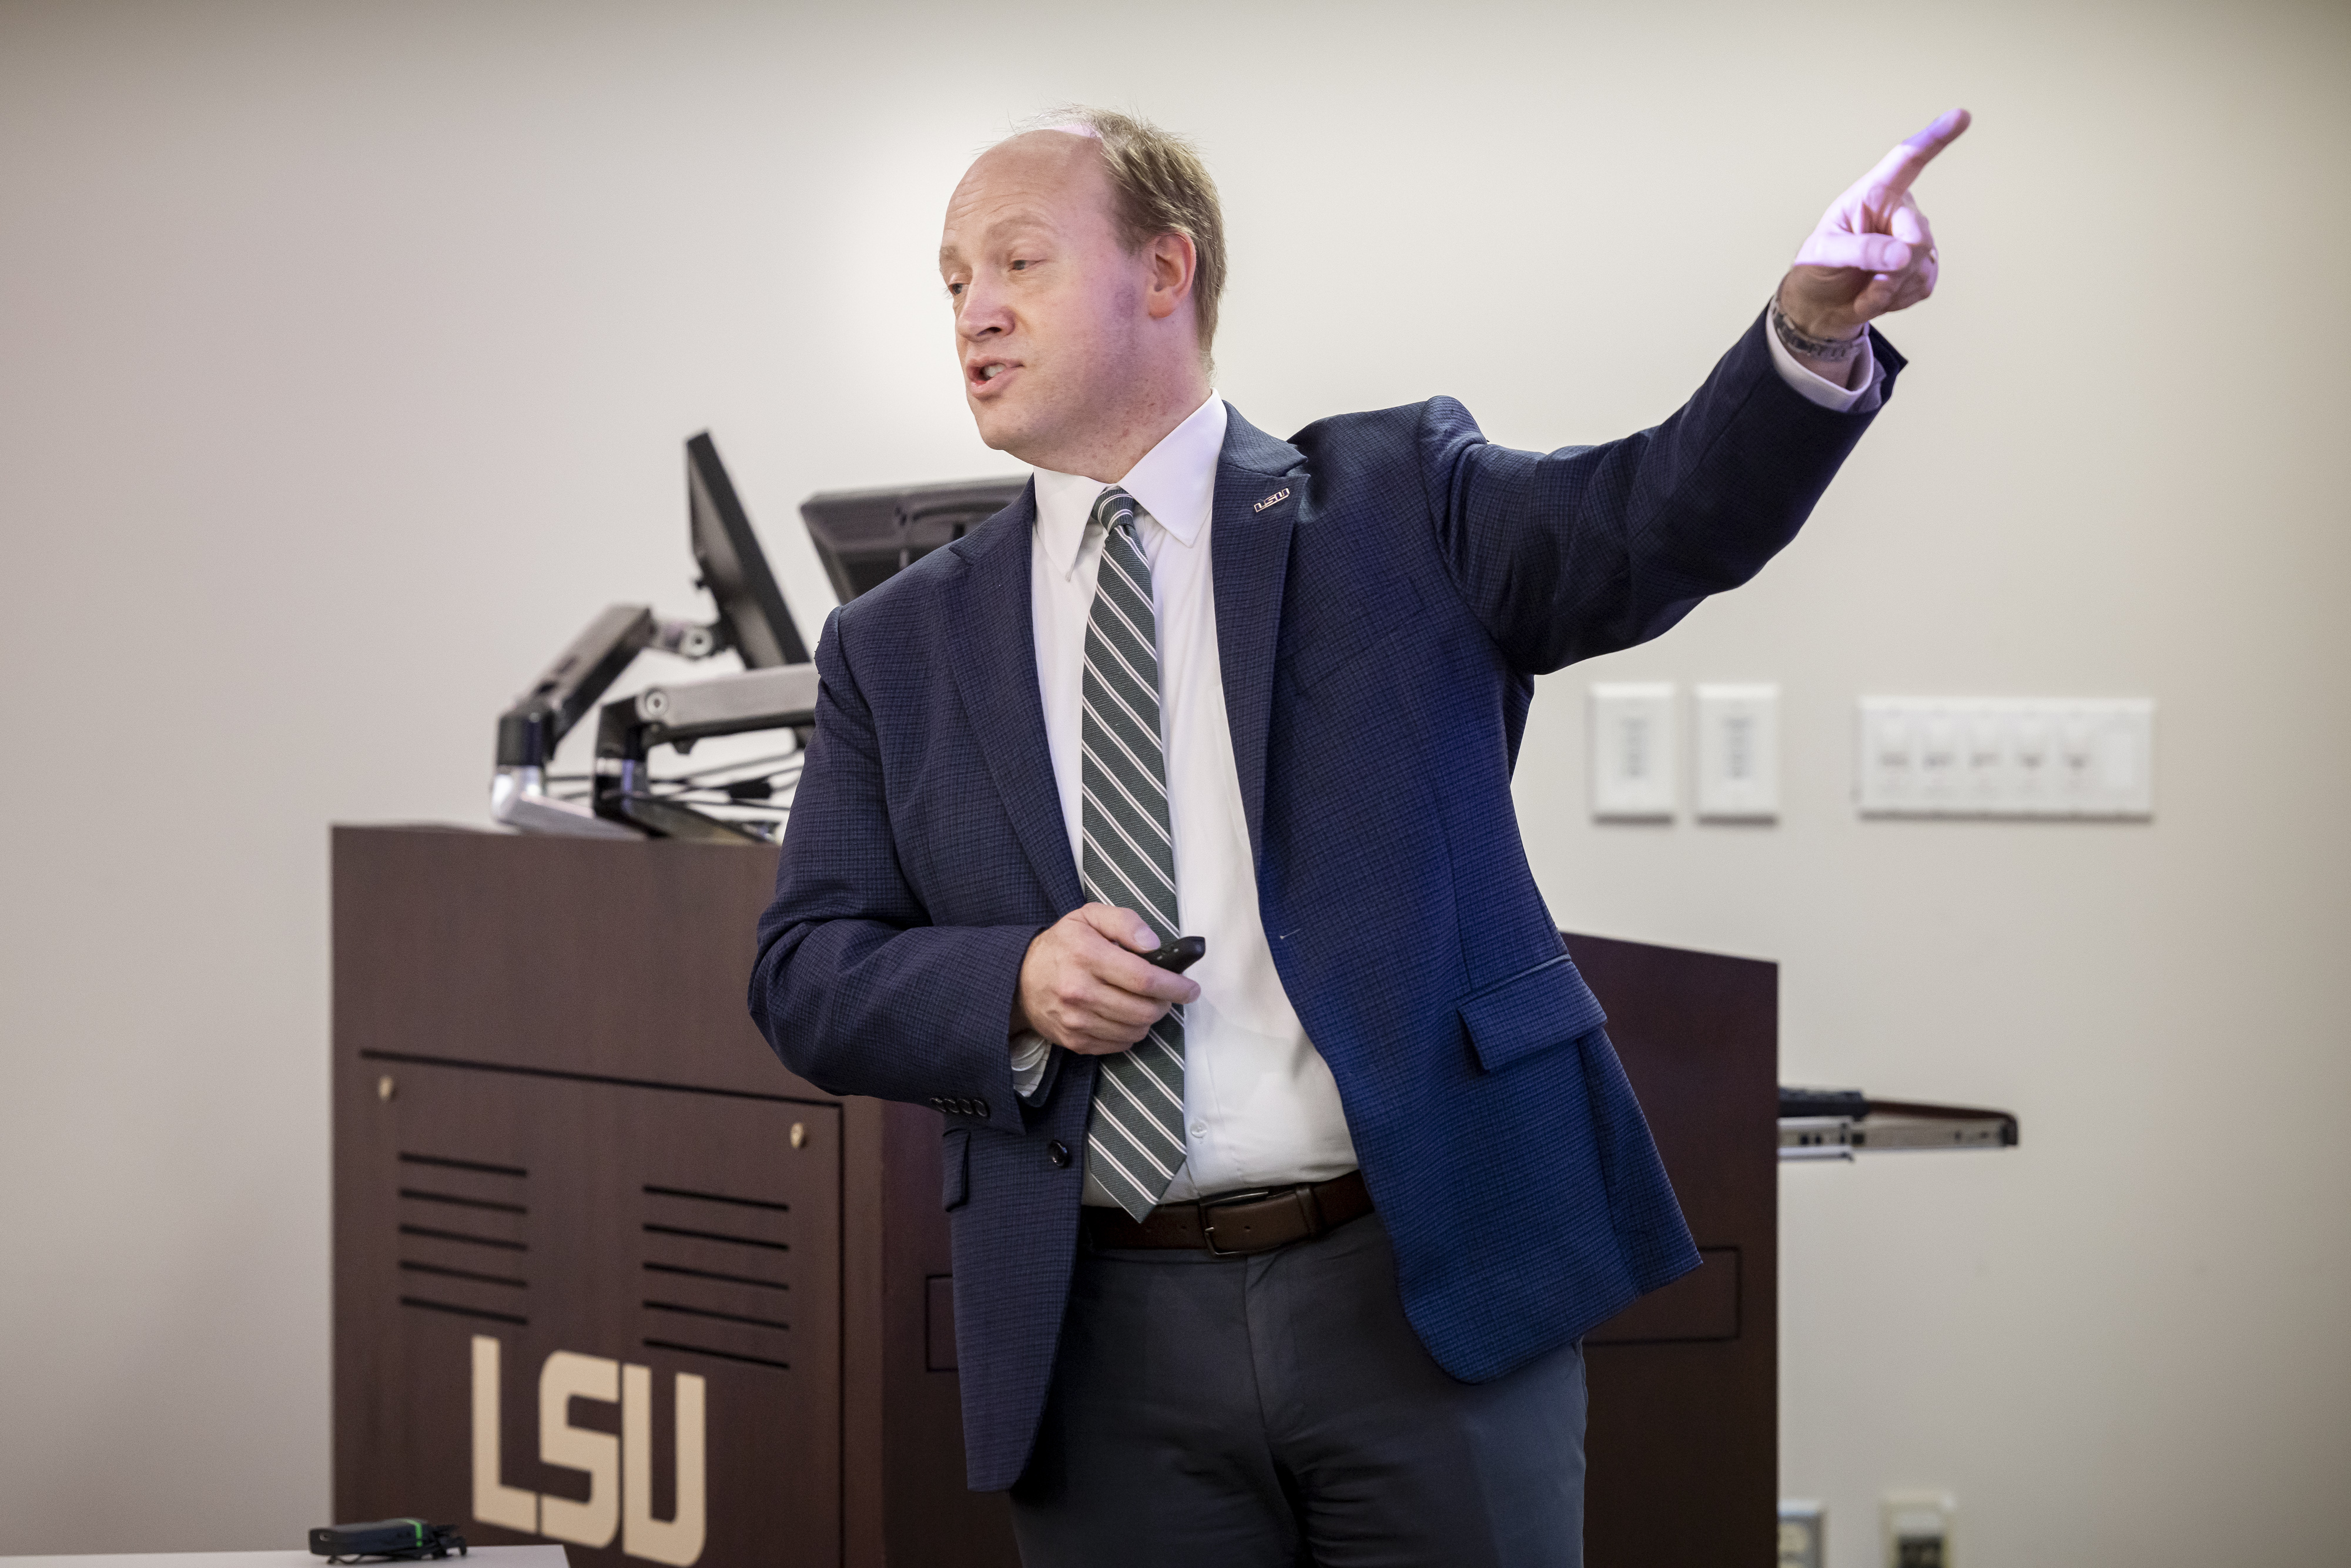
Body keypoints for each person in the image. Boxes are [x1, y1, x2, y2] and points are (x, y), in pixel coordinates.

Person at [751, 104, 1968, 1566]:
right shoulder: (896, 644)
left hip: (1416, 1281)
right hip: (1100, 1329)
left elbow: (1652, 517)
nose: (975, 310)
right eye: (951, 279)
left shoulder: (1397, 505)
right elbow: (805, 968)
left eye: (1017, 260)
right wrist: (1007, 985)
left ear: (1162, 273)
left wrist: (1806, 332)